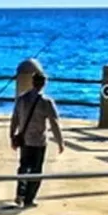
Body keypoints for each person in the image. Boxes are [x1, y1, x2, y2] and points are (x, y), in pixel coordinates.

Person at [10, 72, 65, 207]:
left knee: (23, 167)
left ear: (32, 82)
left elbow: (15, 118)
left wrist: (12, 135)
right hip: (38, 142)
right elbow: (54, 123)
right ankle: (29, 198)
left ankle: (20, 193)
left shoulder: (22, 99)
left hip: (24, 140)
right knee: (36, 170)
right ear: (44, 83)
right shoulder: (46, 102)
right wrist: (60, 142)